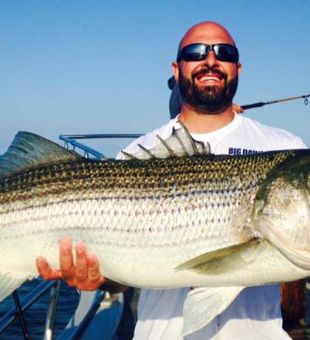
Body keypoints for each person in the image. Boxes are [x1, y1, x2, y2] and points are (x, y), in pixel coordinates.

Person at [37, 21, 306, 339]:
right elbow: (121, 278)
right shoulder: (139, 151)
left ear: (238, 67)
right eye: (195, 52)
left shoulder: (284, 147)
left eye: (224, 52)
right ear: (177, 69)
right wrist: (97, 277)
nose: (210, 60)